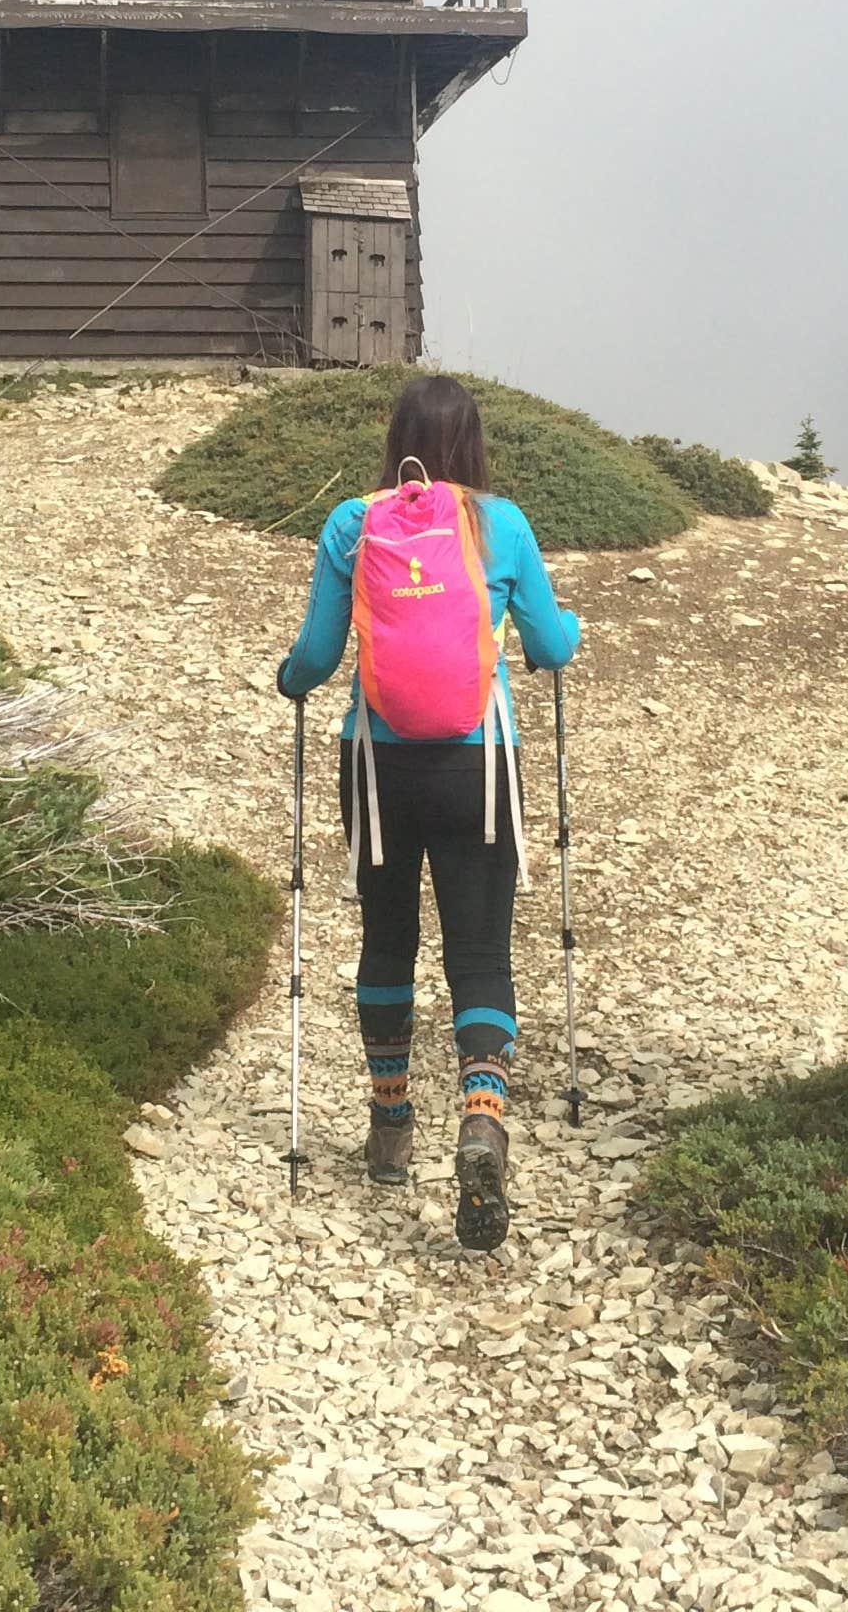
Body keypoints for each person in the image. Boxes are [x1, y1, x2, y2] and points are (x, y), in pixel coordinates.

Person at [277, 373, 580, 1251]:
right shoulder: (503, 523)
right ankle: (482, 1120)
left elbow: (317, 654)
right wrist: (573, 631)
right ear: (475, 444)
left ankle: (390, 1125)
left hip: (379, 766)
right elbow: (552, 648)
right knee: (480, 951)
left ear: (398, 437)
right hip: (481, 762)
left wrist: (289, 681)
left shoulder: (352, 523)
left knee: (387, 938)